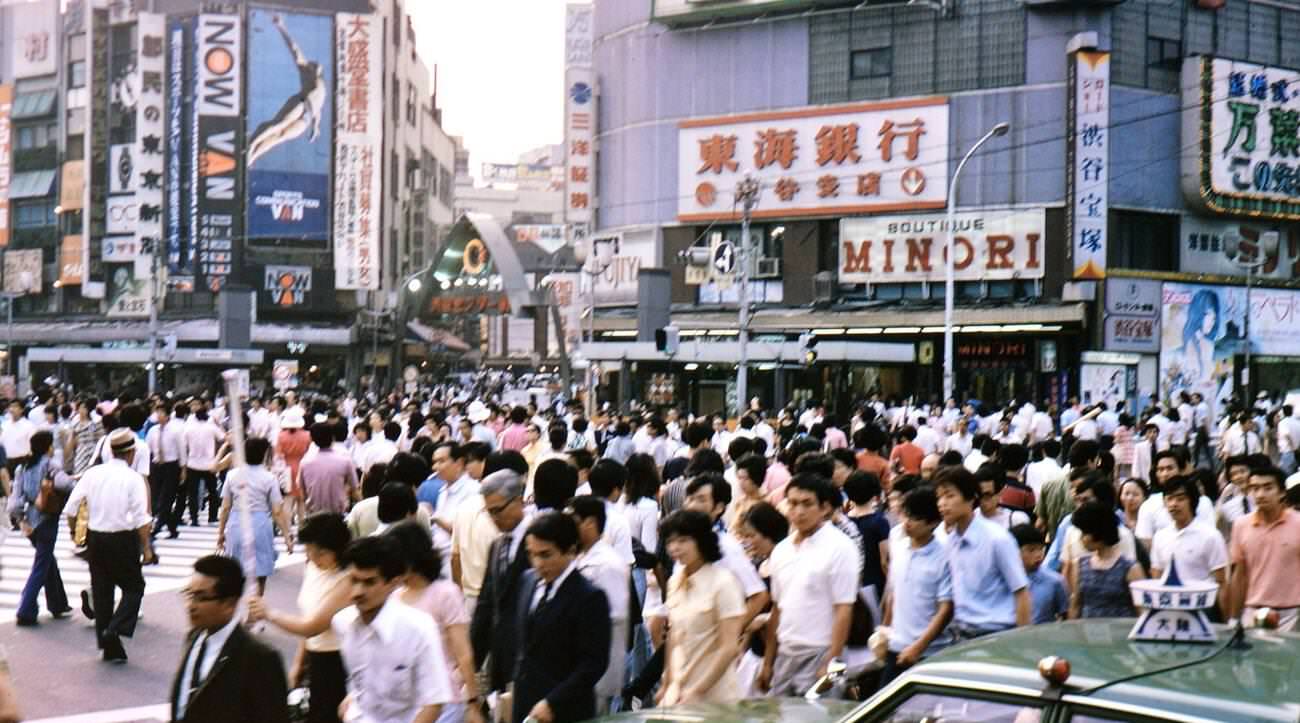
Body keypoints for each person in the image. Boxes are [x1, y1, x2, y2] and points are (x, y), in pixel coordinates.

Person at [333, 536, 454, 723]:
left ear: (394, 583)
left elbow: (434, 702)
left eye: (369, 582)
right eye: (353, 580)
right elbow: (357, 680)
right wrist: (351, 698)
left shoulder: (419, 628)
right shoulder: (342, 623)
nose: (357, 592)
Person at [758, 473, 859, 696]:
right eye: (793, 503)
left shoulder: (840, 547)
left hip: (820, 653)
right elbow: (777, 608)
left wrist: (832, 661)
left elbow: (844, 608)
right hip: (786, 652)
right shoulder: (782, 550)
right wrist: (768, 662)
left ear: (823, 508)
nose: (799, 511)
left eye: (807, 504)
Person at [62, 428, 154, 662]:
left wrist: (75, 532)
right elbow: (142, 519)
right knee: (134, 587)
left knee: (102, 592)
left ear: (111, 451)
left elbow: (72, 507)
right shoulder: (133, 479)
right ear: (131, 453)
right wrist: (146, 548)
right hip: (123, 538)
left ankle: (108, 645)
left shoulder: (93, 474)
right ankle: (115, 629)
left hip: (96, 538)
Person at [249, 513, 352, 723]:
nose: (313, 557)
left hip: (337, 662)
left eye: (320, 553)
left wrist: (269, 613)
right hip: (315, 659)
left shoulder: (347, 579)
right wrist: (299, 663)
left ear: (338, 550)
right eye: (308, 550)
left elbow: (313, 626)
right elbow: (308, 618)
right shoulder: (313, 567)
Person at [513, 512, 611, 723]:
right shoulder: (527, 581)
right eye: (532, 554)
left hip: (566, 709)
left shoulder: (589, 597)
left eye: (546, 554)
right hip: (525, 704)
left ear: (571, 550)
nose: (538, 563)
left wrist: (553, 702)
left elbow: (594, 663)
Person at [171, 555, 289, 723]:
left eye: (201, 597)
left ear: (229, 604)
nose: (190, 605)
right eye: (189, 595)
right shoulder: (194, 637)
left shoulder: (259, 657)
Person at [387, 521, 484, 723]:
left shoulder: (445, 594)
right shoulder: (394, 597)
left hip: (444, 698)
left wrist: (473, 703)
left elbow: (463, 654)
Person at [655, 510, 744, 706]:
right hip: (678, 692)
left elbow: (729, 647)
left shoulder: (723, 582)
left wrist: (698, 690)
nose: (675, 548)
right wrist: (667, 683)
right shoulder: (675, 581)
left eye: (683, 540)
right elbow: (673, 637)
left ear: (701, 541)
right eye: (670, 541)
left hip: (715, 695)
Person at [933, 466, 1031, 638]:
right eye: (939, 497)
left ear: (971, 498)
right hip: (961, 635)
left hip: (996, 635)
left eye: (949, 495)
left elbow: (1021, 592)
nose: (942, 503)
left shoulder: (997, 538)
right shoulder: (950, 542)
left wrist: (1021, 640)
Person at [879, 487, 953, 688]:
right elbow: (894, 594)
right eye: (906, 514)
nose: (907, 522)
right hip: (895, 646)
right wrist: (884, 632)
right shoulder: (900, 548)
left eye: (916, 518)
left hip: (928, 652)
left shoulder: (944, 556)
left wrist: (918, 647)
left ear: (933, 522)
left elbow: (945, 609)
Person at [469, 471, 533, 706]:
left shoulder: (540, 541)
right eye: (489, 512)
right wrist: (471, 663)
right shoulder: (497, 546)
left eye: (498, 510)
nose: (494, 518)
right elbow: (486, 606)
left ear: (518, 501)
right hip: (501, 660)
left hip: (532, 661)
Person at [567, 496, 630, 713]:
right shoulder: (581, 556)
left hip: (599, 665)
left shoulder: (608, 563)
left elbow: (615, 616)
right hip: (580, 660)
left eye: (573, 521)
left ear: (590, 523)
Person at [246, 12, 326, 167]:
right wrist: (281, 27)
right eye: (314, 65)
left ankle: (253, 156)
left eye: (318, 67)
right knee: (278, 125)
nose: (316, 67)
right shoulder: (306, 70)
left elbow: (319, 109)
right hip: (301, 103)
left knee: (279, 137)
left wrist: (316, 126)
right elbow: (294, 49)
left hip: (307, 118)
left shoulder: (322, 85)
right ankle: (252, 143)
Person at [11, 430, 74, 625]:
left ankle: (58, 603)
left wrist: (21, 521)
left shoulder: (22, 468)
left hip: (29, 520)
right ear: (49, 447)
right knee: (41, 564)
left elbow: (14, 502)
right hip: (47, 518)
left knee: (47, 560)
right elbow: (68, 485)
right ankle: (26, 608)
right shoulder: (50, 466)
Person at [217, 437, 293, 596]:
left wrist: (220, 533)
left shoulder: (232, 475)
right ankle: (255, 611)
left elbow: (225, 507)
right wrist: (287, 535)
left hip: (237, 523)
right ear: (264, 455)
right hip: (260, 524)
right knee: (260, 574)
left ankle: (237, 610)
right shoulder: (269, 478)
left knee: (236, 571)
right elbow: (277, 511)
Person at [1228, 466, 1300, 631]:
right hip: (1253, 610)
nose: (1260, 494)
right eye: (1255, 488)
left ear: (1281, 492)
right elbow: (1240, 574)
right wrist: (1233, 617)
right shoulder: (1241, 525)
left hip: (1293, 613)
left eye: (1268, 488)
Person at [1149, 475, 1228, 611]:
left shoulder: (1210, 536)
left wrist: (1227, 622)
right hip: (1169, 607)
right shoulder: (1160, 536)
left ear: (1192, 501)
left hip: (1202, 606)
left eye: (1180, 499)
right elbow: (1157, 577)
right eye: (1169, 498)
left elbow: (1222, 582)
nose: (1174, 504)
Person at [1069, 501, 1143, 619]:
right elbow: (1076, 605)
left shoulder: (1130, 569)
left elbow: (1142, 610)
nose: (1081, 538)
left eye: (1085, 533)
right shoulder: (1079, 564)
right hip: (1086, 633)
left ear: (1098, 532)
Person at [300, 422, 360, 518]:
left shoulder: (305, 462)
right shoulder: (345, 460)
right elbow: (355, 490)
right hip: (338, 515)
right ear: (333, 437)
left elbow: (303, 494)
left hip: (314, 515)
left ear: (312, 439)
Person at [1011, 524, 1067, 625]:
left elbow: (1065, 614)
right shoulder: (1002, 581)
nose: (1038, 555)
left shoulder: (1055, 581)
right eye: (1031, 550)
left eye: (1041, 549)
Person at [146, 402, 185, 539]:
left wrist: (183, 469)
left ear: (168, 415)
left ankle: (156, 528)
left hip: (171, 466)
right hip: (157, 466)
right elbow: (148, 450)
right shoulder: (153, 431)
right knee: (156, 499)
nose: (159, 415)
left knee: (166, 498)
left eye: (162, 412)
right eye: (157, 412)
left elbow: (181, 451)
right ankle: (172, 527)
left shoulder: (175, 430)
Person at [182, 407, 226, 525]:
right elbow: (223, 437)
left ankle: (194, 518)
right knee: (212, 492)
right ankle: (212, 516)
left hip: (192, 464)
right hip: (209, 464)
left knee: (193, 494)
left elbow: (184, 446)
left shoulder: (188, 428)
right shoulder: (211, 427)